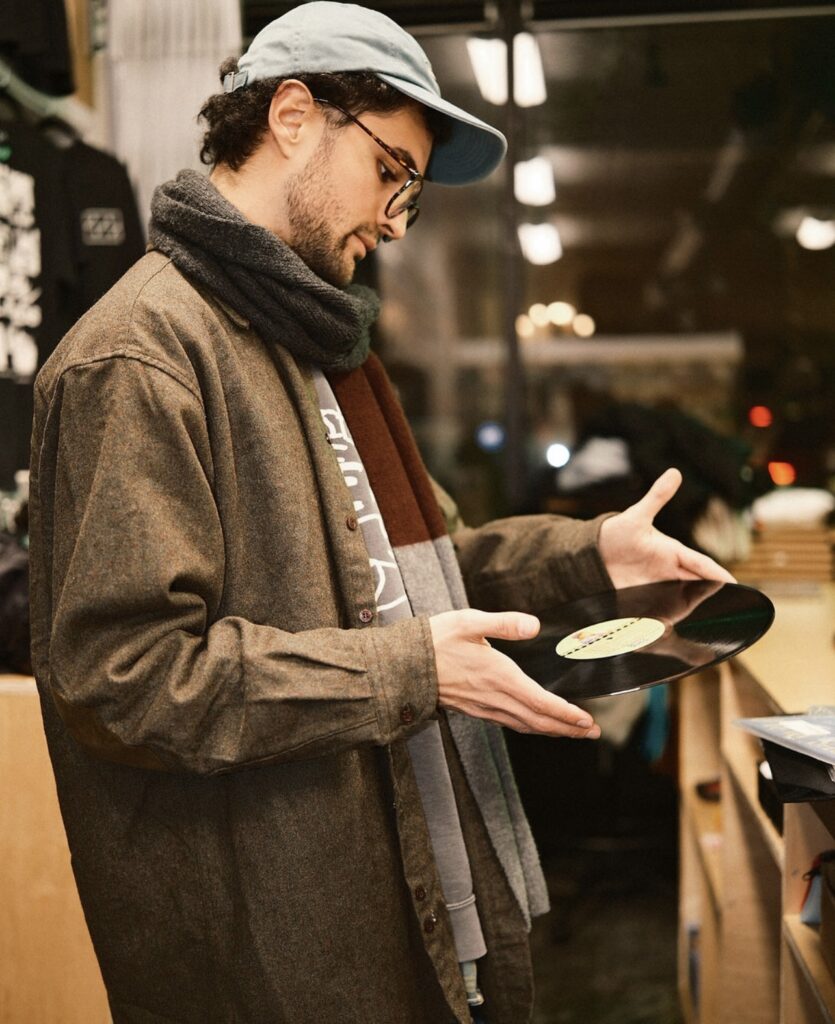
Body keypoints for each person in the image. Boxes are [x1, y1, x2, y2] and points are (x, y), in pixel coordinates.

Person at [27, 4, 734, 1022]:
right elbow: (124, 678)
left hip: (410, 892)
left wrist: (591, 551)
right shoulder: (138, 356)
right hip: (275, 948)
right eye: (392, 171)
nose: (398, 219)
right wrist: (408, 668)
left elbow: (427, 574)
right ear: (295, 115)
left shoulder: (320, 341)